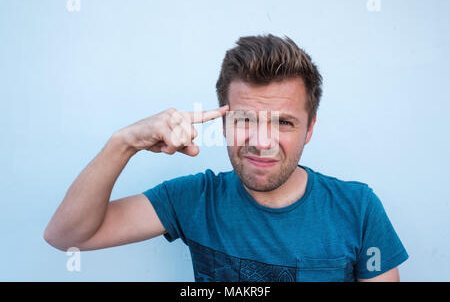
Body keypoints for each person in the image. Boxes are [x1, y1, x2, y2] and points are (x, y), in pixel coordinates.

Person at [44, 34, 408, 282]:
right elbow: (67, 236)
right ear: (222, 123)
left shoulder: (359, 209)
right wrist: (122, 143)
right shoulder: (191, 200)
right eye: (245, 119)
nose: (262, 141)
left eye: (283, 122)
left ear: (309, 129)